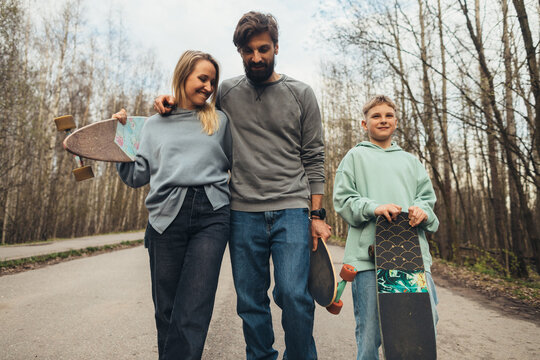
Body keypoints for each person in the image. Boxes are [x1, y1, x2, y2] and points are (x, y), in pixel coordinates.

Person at [154, 11, 331, 360]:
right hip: (242, 212)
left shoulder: (301, 94)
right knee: (251, 302)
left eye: (263, 48)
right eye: (248, 50)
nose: (256, 57)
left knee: (294, 296)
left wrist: (317, 214)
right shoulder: (227, 93)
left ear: (276, 46)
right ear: (239, 52)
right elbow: (192, 110)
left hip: (292, 210)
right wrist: (167, 102)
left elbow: (314, 156)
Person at [114, 50, 232, 360]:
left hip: (212, 214)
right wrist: (121, 138)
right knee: (166, 307)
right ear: (183, 77)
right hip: (166, 216)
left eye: (212, 81)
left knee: (195, 305)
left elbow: (238, 164)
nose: (208, 86)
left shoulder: (219, 120)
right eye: (202, 78)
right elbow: (137, 176)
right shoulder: (153, 125)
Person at [332, 95, 439, 360]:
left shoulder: (411, 162)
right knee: (370, 335)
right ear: (363, 123)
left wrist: (421, 212)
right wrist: (374, 207)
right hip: (369, 261)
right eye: (376, 116)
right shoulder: (355, 157)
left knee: (420, 332)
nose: (383, 120)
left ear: (396, 121)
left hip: (411, 259)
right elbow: (343, 201)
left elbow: (428, 205)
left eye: (388, 115)